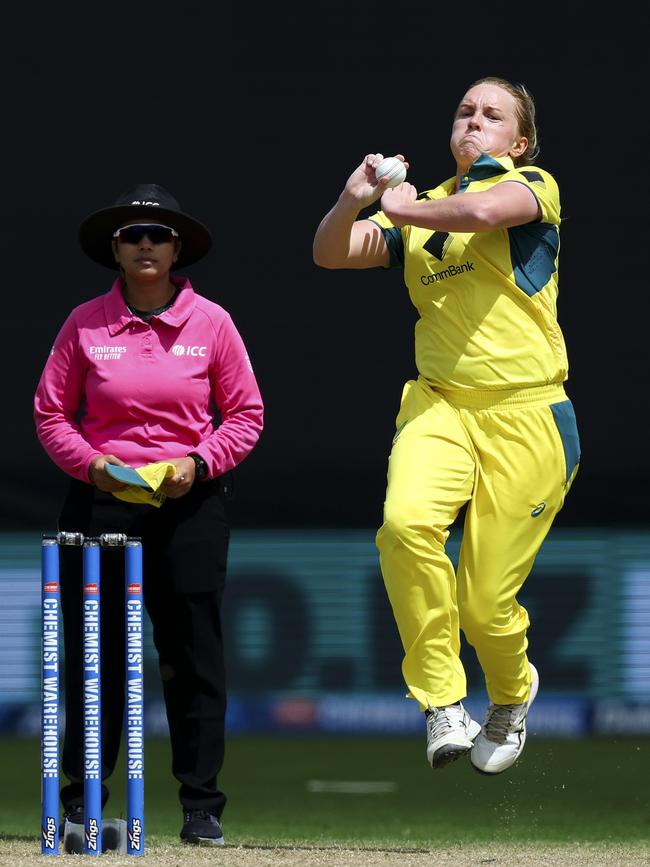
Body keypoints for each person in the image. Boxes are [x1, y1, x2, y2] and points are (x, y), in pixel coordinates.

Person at [312, 77, 580, 775]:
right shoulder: (417, 210)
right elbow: (330, 253)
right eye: (465, 111)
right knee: (404, 525)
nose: (474, 121)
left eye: (492, 116)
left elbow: (487, 209)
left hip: (528, 412)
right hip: (439, 403)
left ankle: (514, 695)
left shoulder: (533, 185)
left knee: (486, 602)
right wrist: (355, 199)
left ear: (517, 141)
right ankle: (441, 702)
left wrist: (411, 209)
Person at [34, 183, 264, 844]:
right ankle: (81, 803)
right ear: (115, 248)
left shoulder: (212, 323)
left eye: (157, 235)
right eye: (132, 235)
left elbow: (245, 415)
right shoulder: (85, 323)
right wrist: (93, 465)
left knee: (193, 656)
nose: (145, 244)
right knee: (94, 657)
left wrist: (199, 461)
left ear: (177, 247)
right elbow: (51, 413)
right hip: (103, 497)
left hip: (187, 502)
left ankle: (201, 807)